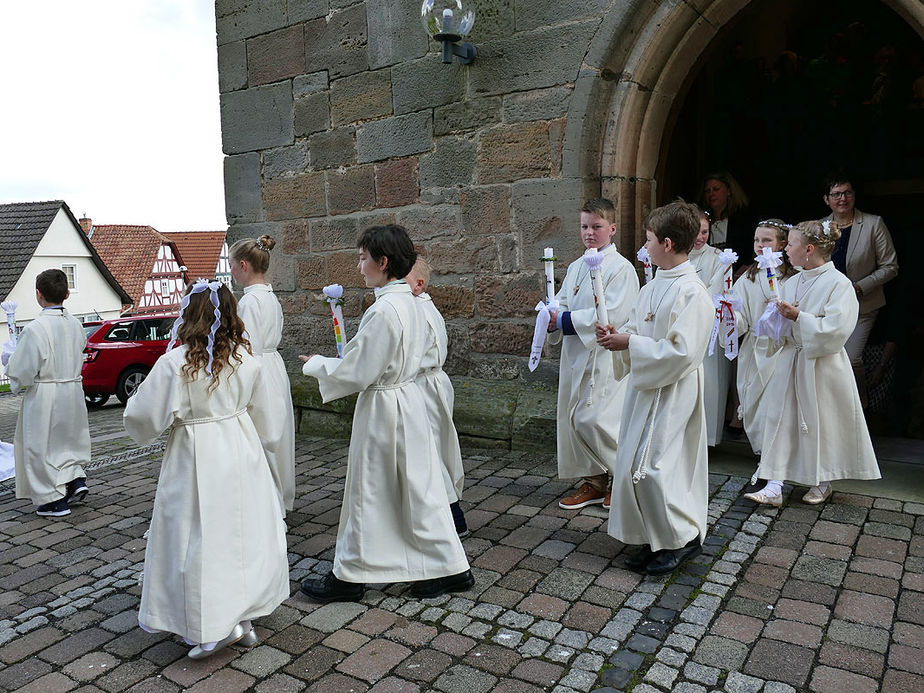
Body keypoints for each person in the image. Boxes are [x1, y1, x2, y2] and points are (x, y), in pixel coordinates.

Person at [299, 225, 472, 602]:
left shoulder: (384, 310)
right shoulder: (410, 302)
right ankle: (451, 567)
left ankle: (349, 577)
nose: (359, 267)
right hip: (407, 401)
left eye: (363, 259)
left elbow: (359, 370)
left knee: (368, 489)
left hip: (385, 408)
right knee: (418, 490)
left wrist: (317, 365)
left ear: (383, 261)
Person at [124, 280, 289, 659]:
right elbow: (271, 422)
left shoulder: (176, 363)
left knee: (199, 537)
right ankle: (242, 617)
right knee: (239, 534)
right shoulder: (247, 360)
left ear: (188, 317)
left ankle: (212, 626)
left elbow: (142, 417)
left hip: (195, 456)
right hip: (242, 451)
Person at [596, 201, 715, 576]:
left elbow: (683, 352)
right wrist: (619, 335)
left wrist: (629, 344)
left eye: (648, 240)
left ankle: (681, 540)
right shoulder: (652, 285)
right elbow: (636, 325)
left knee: (657, 468)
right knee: (633, 463)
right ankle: (653, 536)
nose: (643, 246)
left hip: (674, 391)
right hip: (646, 390)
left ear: (666, 243)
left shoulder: (693, 293)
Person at [744, 221, 880, 507]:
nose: (786, 249)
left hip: (821, 365)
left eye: (790, 244)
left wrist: (798, 318)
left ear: (808, 250)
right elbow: (778, 329)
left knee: (821, 422)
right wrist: (773, 320)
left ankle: (823, 480)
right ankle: (774, 483)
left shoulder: (839, 284)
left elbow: (837, 329)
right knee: (780, 419)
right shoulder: (791, 281)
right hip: (790, 359)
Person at [547, 198, 639, 510]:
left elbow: (610, 313)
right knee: (574, 420)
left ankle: (622, 478)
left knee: (596, 420)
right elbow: (560, 300)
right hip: (575, 357)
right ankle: (596, 482)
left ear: (612, 228)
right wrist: (548, 314)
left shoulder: (621, 269)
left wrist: (563, 320)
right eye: (585, 226)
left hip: (603, 357)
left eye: (596, 227)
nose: (589, 233)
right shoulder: (576, 266)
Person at [5, 269, 90, 517]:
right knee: (67, 441)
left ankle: (53, 500)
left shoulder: (35, 329)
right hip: (73, 391)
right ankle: (75, 480)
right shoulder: (76, 324)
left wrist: (9, 360)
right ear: (66, 294)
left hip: (46, 393)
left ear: (38, 294)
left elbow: (24, 370)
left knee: (40, 445)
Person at [229, 234, 296, 515]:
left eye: (231, 265)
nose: (230, 271)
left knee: (262, 433)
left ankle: (270, 502)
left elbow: (247, 345)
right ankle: (282, 496)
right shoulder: (270, 298)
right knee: (278, 433)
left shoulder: (248, 303)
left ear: (243, 266)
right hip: (274, 366)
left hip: (257, 367)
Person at [821, 173, 898, 407]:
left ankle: (861, 404)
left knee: (851, 357)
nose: (842, 198)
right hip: (827, 305)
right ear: (827, 199)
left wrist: (859, 287)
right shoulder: (820, 227)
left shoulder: (874, 223)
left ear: (854, 195)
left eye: (847, 193)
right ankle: (834, 409)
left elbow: (890, 266)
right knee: (827, 358)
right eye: (836, 194)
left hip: (863, 304)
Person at [405, 257, 468, 536]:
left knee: (429, 451)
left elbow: (408, 354)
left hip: (423, 385)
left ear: (419, 284)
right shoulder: (423, 304)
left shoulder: (416, 310)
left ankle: (453, 517)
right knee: (432, 449)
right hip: (431, 382)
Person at [730, 220, 798, 455]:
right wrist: (729, 315)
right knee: (753, 404)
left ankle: (774, 460)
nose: (760, 245)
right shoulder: (747, 277)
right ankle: (761, 455)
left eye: (767, 240)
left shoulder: (793, 276)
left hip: (781, 347)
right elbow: (739, 314)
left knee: (776, 403)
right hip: (754, 348)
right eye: (757, 240)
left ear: (782, 244)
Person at [689, 208, 729, 446]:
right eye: (695, 231)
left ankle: (708, 439)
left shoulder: (718, 257)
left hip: (708, 327)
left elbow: (717, 291)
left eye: (704, 232)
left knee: (709, 383)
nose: (700, 237)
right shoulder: (677, 253)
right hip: (684, 324)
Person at [699, 171, 752, 266]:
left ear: (729, 191)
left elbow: (748, 255)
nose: (711, 194)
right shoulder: (702, 222)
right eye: (707, 191)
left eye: (716, 189)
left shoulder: (743, 222)